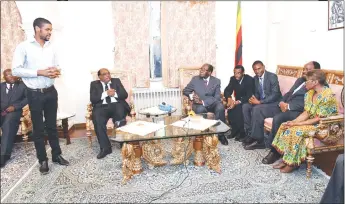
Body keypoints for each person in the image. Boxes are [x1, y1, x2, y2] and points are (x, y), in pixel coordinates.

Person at [12, 17, 69, 174]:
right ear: (38, 29)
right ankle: (43, 160)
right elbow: (16, 70)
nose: (50, 32)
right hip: (34, 94)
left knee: (52, 126)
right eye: (48, 29)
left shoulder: (52, 47)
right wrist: (39, 72)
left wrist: (56, 71)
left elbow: (57, 66)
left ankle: (57, 155)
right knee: (38, 129)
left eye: (50, 29)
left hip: (51, 92)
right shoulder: (23, 47)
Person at [271, 70, 338, 173]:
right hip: (312, 122)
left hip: (325, 126)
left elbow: (318, 118)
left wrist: (297, 124)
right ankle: (286, 159)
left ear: (315, 82)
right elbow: (306, 113)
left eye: (307, 81)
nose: (305, 83)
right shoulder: (309, 93)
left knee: (296, 131)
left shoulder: (327, 96)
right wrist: (293, 122)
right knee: (286, 126)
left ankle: (292, 164)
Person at [262, 61, 321, 164]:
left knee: (278, 118)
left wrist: (288, 106)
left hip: (299, 111)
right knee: (261, 109)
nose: (304, 71)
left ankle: (275, 152)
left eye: (308, 69)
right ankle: (261, 141)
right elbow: (290, 93)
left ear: (316, 72)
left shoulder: (316, 86)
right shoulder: (300, 80)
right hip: (286, 105)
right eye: (304, 69)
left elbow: (308, 104)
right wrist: (282, 102)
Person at [183, 63, 228, 145]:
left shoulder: (216, 81)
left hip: (212, 103)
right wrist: (192, 96)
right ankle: (204, 134)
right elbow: (186, 91)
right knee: (201, 109)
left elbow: (217, 97)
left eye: (204, 70)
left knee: (220, 107)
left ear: (210, 72)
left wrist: (203, 102)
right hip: (198, 104)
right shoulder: (195, 79)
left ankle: (220, 134)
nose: (201, 71)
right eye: (201, 69)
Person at [90, 68, 130, 159]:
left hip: (116, 105)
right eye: (104, 74)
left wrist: (114, 95)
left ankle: (122, 142)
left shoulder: (116, 81)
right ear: (99, 76)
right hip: (101, 107)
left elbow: (125, 95)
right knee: (98, 121)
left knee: (120, 117)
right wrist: (105, 93)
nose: (107, 75)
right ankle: (105, 148)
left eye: (108, 73)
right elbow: (93, 99)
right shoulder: (94, 84)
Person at [242, 60, 282, 150]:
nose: (257, 71)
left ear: (263, 67)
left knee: (257, 109)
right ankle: (250, 134)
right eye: (255, 70)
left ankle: (259, 141)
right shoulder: (255, 78)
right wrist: (253, 99)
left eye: (259, 68)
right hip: (262, 103)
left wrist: (259, 102)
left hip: (274, 104)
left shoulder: (272, 76)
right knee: (246, 106)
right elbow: (257, 93)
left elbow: (275, 94)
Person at [0, 69, 28, 168]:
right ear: (4, 77)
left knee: (8, 124)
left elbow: (27, 98)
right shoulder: (1, 86)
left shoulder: (22, 85)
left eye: (12, 74)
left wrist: (15, 107)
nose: (11, 76)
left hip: (14, 112)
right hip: (1, 112)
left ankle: (4, 155)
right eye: (8, 75)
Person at [223, 65, 254, 142]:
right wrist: (229, 99)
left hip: (247, 101)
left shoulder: (249, 79)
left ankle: (242, 133)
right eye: (235, 73)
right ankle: (234, 131)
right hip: (237, 101)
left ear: (243, 73)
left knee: (239, 109)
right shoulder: (233, 79)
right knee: (231, 108)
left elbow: (249, 95)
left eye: (238, 73)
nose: (236, 75)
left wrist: (238, 102)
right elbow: (227, 90)